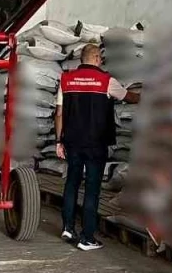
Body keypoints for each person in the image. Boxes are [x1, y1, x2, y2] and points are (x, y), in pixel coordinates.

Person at [55, 43, 139, 252]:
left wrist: (59, 141)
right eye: (100, 58)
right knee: (92, 189)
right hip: (96, 143)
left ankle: (67, 228)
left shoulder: (66, 79)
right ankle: (87, 238)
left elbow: (59, 113)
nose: (101, 61)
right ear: (95, 58)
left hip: (73, 142)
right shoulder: (106, 80)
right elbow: (127, 97)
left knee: (72, 182)